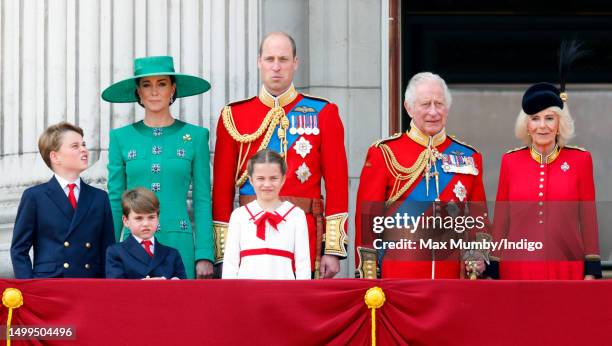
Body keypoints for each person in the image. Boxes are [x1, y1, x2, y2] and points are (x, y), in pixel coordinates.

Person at [212, 32, 348, 278]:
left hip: (305, 232)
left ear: (295, 63)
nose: (276, 67)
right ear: (259, 62)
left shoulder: (323, 112)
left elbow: (338, 185)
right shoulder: (234, 116)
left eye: (283, 59)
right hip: (248, 231)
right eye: (270, 59)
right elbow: (222, 190)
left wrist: (333, 248)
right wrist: (223, 253)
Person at [354, 72, 490, 279]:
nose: (433, 112)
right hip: (399, 278)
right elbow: (368, 220)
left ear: (448, 107)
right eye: (426, 104)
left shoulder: (469, 157)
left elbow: (478, 217)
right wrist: (369, 273)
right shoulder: (384, 153)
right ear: (409, 108)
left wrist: (477, 254)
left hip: (452, 278)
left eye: (439, 104)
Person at [102, 56, 214, 279]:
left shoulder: (195, 137)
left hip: (180, 243)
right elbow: (115, 200)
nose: (154, 92)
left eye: (161, 84)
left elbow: (202, 199)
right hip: (130, 249)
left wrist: (204, 254)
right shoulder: (120, 138)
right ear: (138, 92)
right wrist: (109, 250)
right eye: (146, 85)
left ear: (173, 89)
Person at [492, 80, 602, 280]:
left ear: (559, 124)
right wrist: (493, 267)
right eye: (535, 118)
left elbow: (588, 219)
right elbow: (501, 220)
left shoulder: (580, 160)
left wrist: (591, 269)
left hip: (567, 269)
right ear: (527, 125)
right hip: (517, 270)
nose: (542, 126)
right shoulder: (510, 161)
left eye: (549, 118)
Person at [11, 122, 115, 278]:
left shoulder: (100, 198)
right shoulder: (35, 197)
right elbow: (19, 250)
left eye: (84, 144)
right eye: (75, 146)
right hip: (50, 285)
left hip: (89, 285)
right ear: (55, 156)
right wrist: (28, 287)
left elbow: (108, 250)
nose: (84, 150)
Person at [222, 150, 311, 279]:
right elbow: (230, 266)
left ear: (283, 179)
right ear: (251, 180)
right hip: (247, 294)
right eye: (260, 178)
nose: (267, 184)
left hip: (285, 294)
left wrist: (299, 297)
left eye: (274, 178)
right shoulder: (239, 216)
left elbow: (303, 266)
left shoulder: (296, 215)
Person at [106, 188, 186, 279]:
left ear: (158, 218)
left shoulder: (172, 254)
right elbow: (115, 289)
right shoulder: (116, 252)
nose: (146, 223)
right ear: (126, 221)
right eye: (139, 218)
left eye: (151, 217)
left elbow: (184, 291)